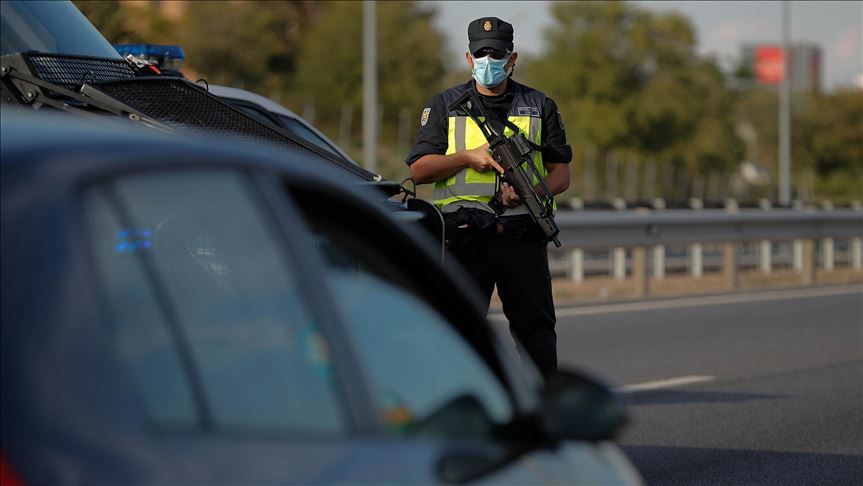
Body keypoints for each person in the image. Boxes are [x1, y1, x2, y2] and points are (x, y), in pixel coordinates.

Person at [405, 17, 572, 377]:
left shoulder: (541, 105)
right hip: (465, 238)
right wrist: (468, 157)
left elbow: (561, 174)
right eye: (480, 53)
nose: (487, 60)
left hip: (522, 236)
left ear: (512, 59)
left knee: (537, 337)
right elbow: (419, 170)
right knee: (455, 335)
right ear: (468, 58)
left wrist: (531, 192)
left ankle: (542, 417)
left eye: (496, 54)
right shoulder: (445, 105)